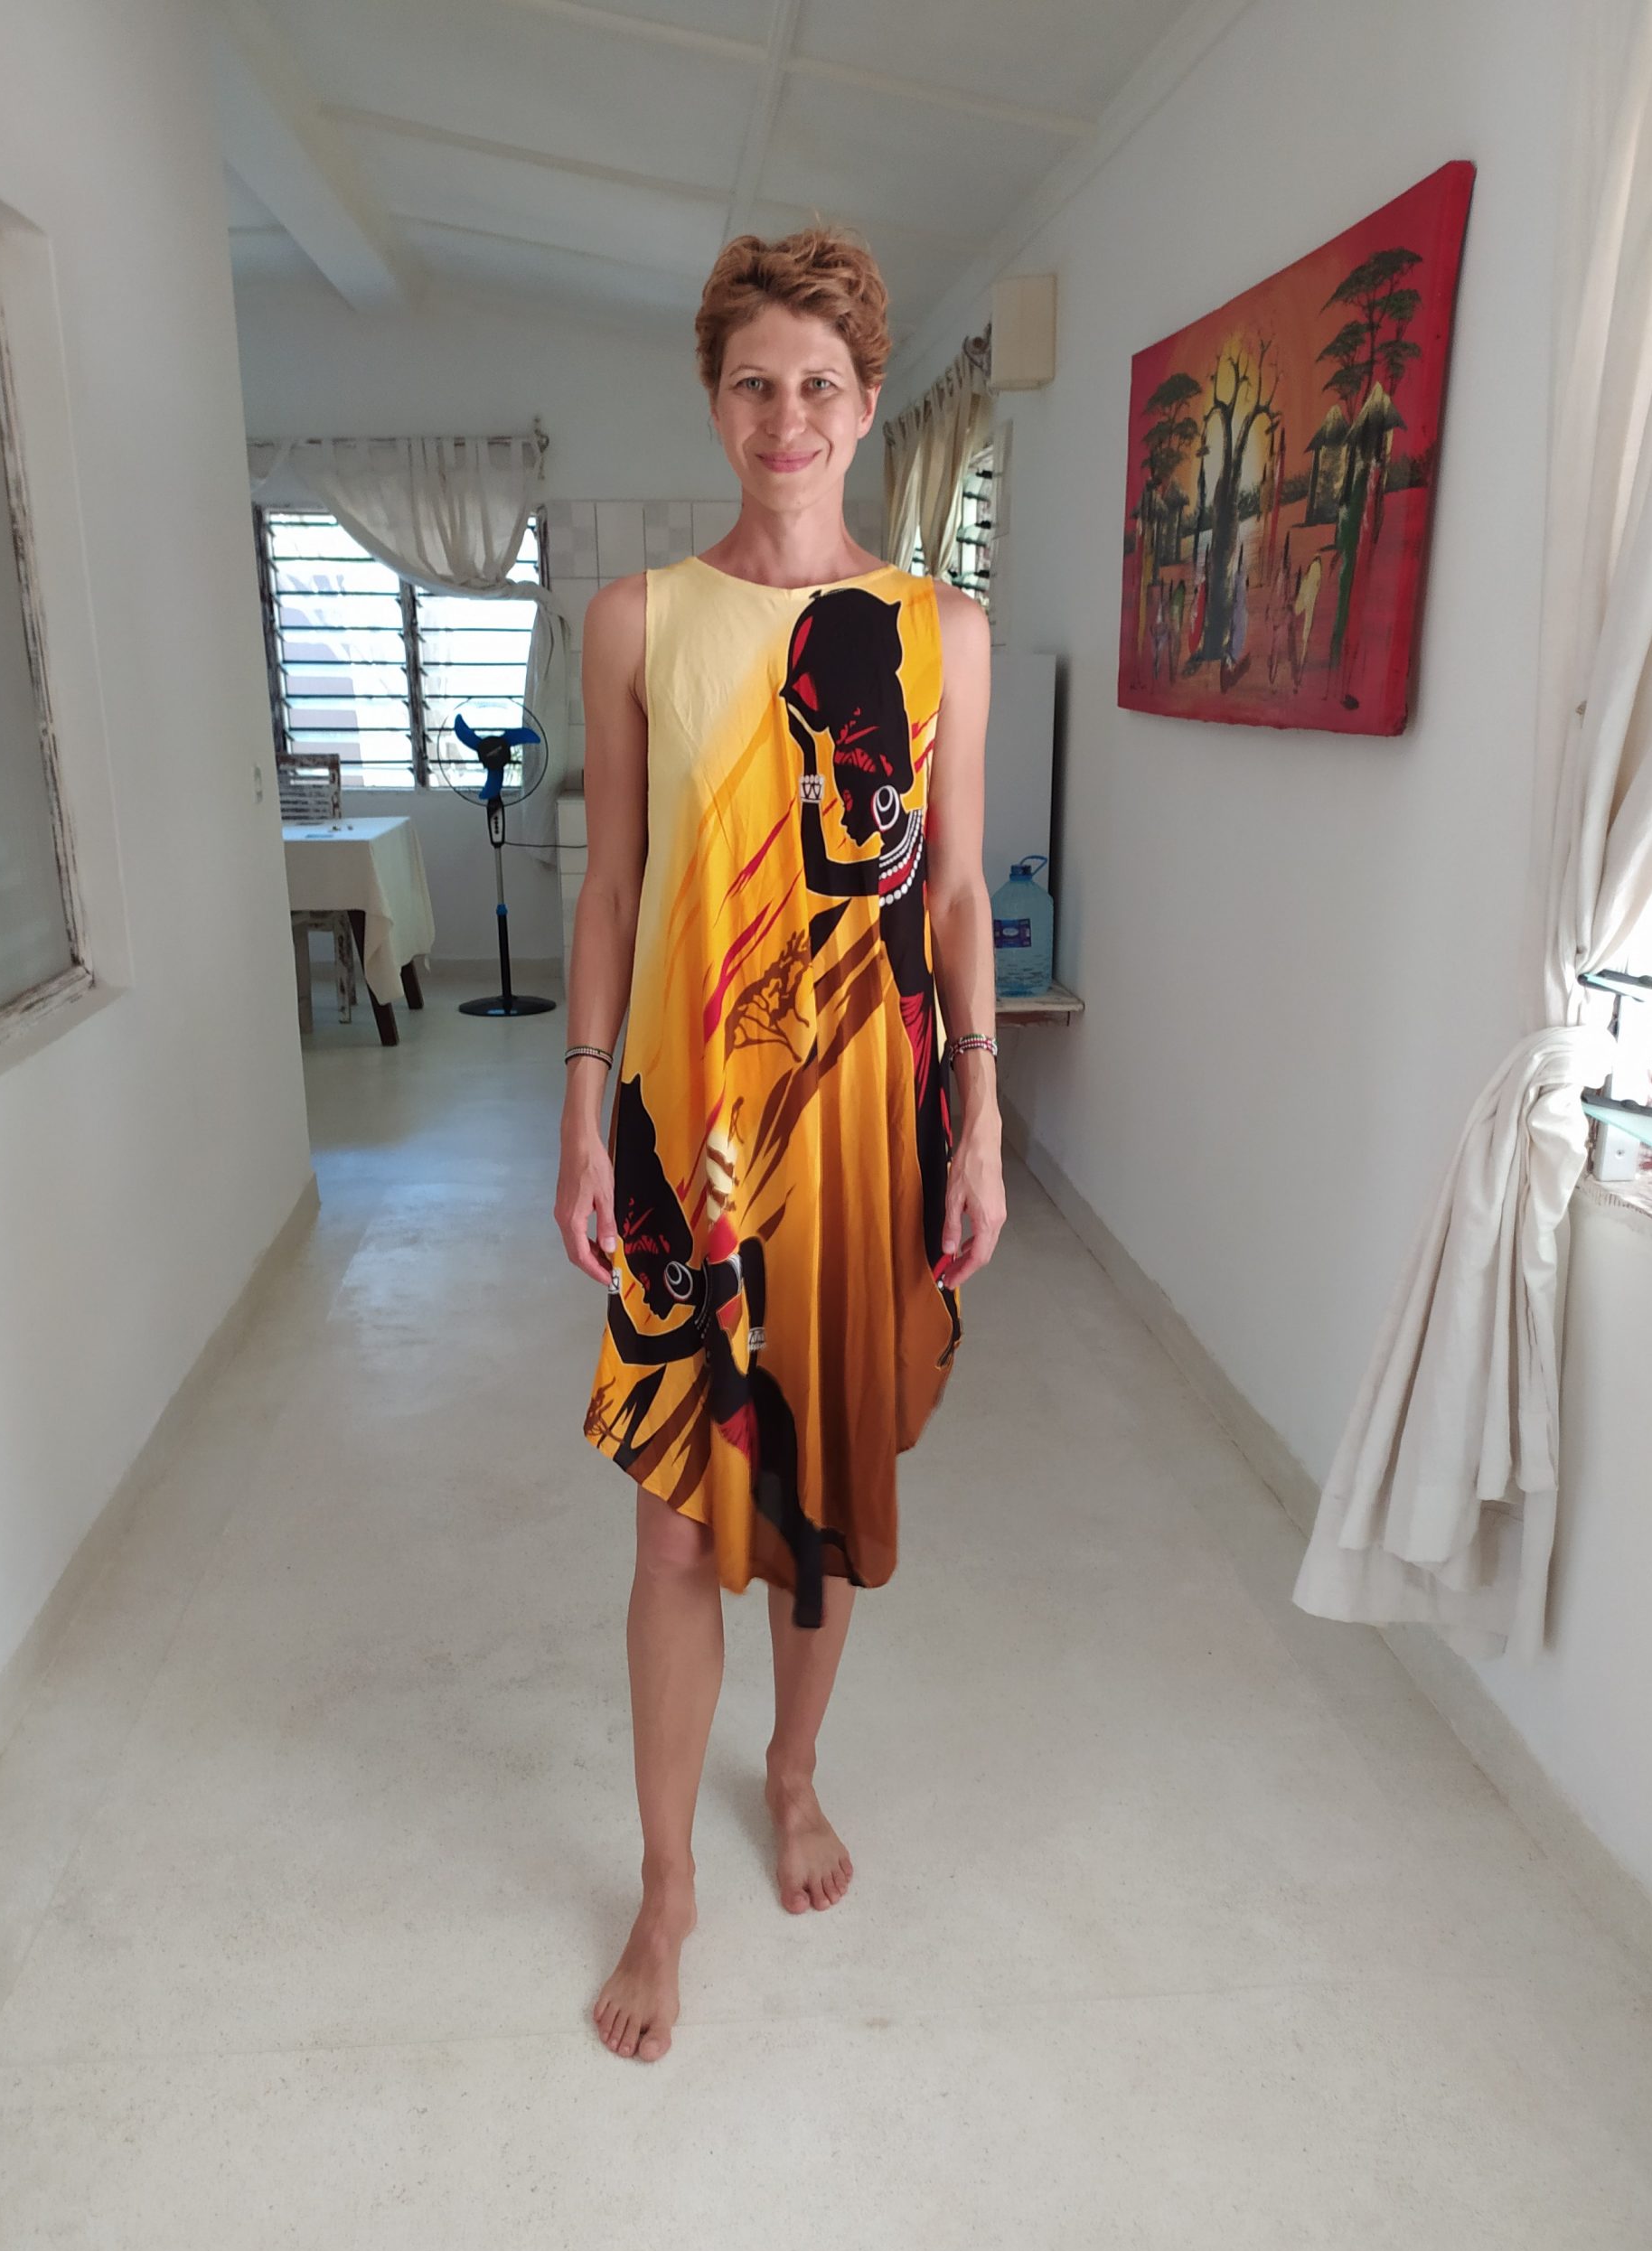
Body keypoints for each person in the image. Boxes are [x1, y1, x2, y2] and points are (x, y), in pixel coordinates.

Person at [553, 226, 1006, 2062]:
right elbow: (613, 884)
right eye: (755, 382)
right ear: (714, 398)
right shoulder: (637, 620)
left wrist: (979, 1117)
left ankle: (794, 1772)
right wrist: (581, 1104)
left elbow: (954, 894)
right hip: (685, 1131)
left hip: (866, 1130)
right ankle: (665, 1885)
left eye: (821, 384)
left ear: (871, 404)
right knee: (676, 1526)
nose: (787, 416)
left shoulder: (940, 631)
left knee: (817, 1516)